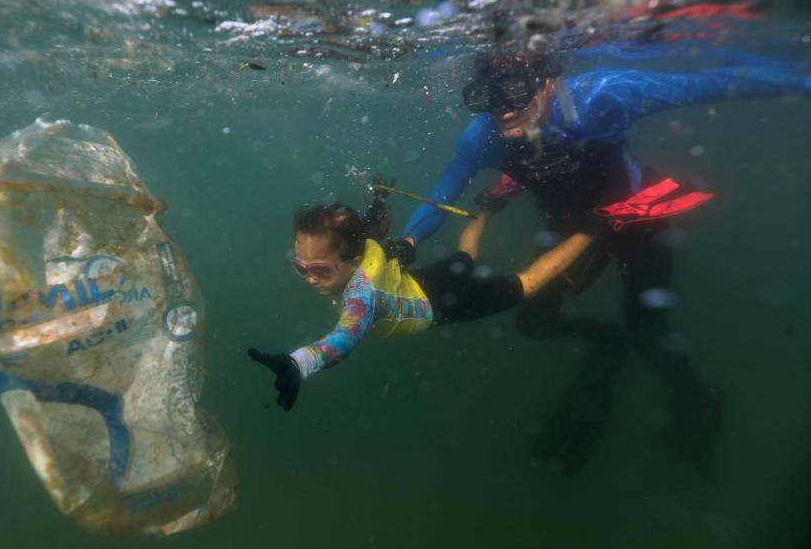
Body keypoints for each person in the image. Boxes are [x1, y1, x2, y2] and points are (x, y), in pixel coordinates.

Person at [391, 50, 811, 474]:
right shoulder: (481, 136)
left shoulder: (606, 97)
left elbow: (710, 84)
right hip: (571, 229)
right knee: (534, 321)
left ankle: (699, 397)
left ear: (550, 82)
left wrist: (801, 78)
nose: (503, 109)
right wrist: (408, 241)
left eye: (516, 90)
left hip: (636, 221)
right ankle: (606, 341)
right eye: (486, 97)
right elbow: (443, 192)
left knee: (647, 334)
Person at [248, 200, 595, 412]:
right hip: (418, 282)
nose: (308, 278)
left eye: (320, 270)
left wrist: (299, 362)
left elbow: (345, 337)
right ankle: (490, 205)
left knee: (529, 284)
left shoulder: (361, 294)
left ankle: (594, 229)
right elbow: (367, 234)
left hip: (442, 306)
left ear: (353, 260)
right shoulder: (360, 246)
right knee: (466, 258)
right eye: (300, 267)